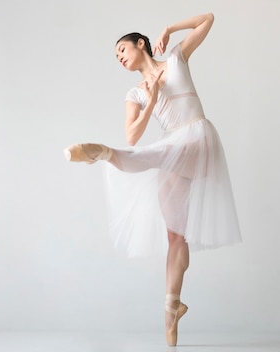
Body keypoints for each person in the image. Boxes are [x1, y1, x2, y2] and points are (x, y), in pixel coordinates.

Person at [63, 13, 241, 346]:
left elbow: (209, 19)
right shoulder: (137, 93)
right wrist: (153, 97)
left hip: (197, 138)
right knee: (176, 237)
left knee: (146, 155)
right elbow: (133, 135)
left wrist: (169, 29)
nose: (120, 57)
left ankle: (104, 153)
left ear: (140, 43)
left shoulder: (176, 58)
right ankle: (172, 309)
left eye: (122, 49)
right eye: (116, 56)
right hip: (173, 150)